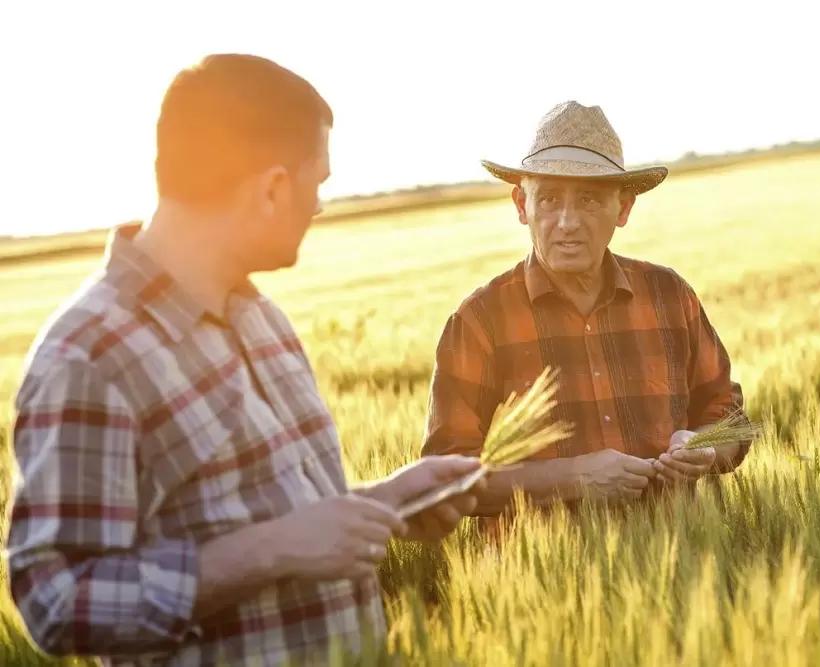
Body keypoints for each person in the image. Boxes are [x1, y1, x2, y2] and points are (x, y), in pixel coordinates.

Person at [7, 54, 481, 665]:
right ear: (273, 188)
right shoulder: (90, 357)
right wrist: (272, 550)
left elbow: (260, 511)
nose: (318, 206)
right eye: (319, 184)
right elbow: (53, 601)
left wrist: (387, 502)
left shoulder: (262, 320)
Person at [422, 101, 753, 515]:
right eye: (548, 200)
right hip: (537, 576)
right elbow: (444, 479)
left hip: (676, 559)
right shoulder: (478, 323)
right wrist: (573, 478)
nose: (567, 221)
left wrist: (702, 447)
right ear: (521, 206)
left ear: (624, 208)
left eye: (589, 201)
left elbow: (732, 419)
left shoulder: (670, 296)